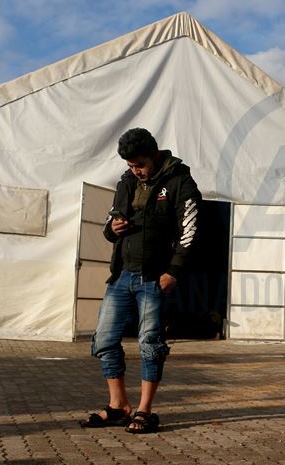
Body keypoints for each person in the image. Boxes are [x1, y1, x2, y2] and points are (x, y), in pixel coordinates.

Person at [80, 128, 201, 434]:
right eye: (131, 165)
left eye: (140, 164)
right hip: (121, 276)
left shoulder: (180, 181)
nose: (136, 170)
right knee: (104, 340)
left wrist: (174, 271)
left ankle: (145, 411)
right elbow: (110, 221)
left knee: (150, 344)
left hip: (153, 279)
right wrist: (113, 228)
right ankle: (118, 407)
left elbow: (191, 231)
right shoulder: (126, 181)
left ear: (154, 155)